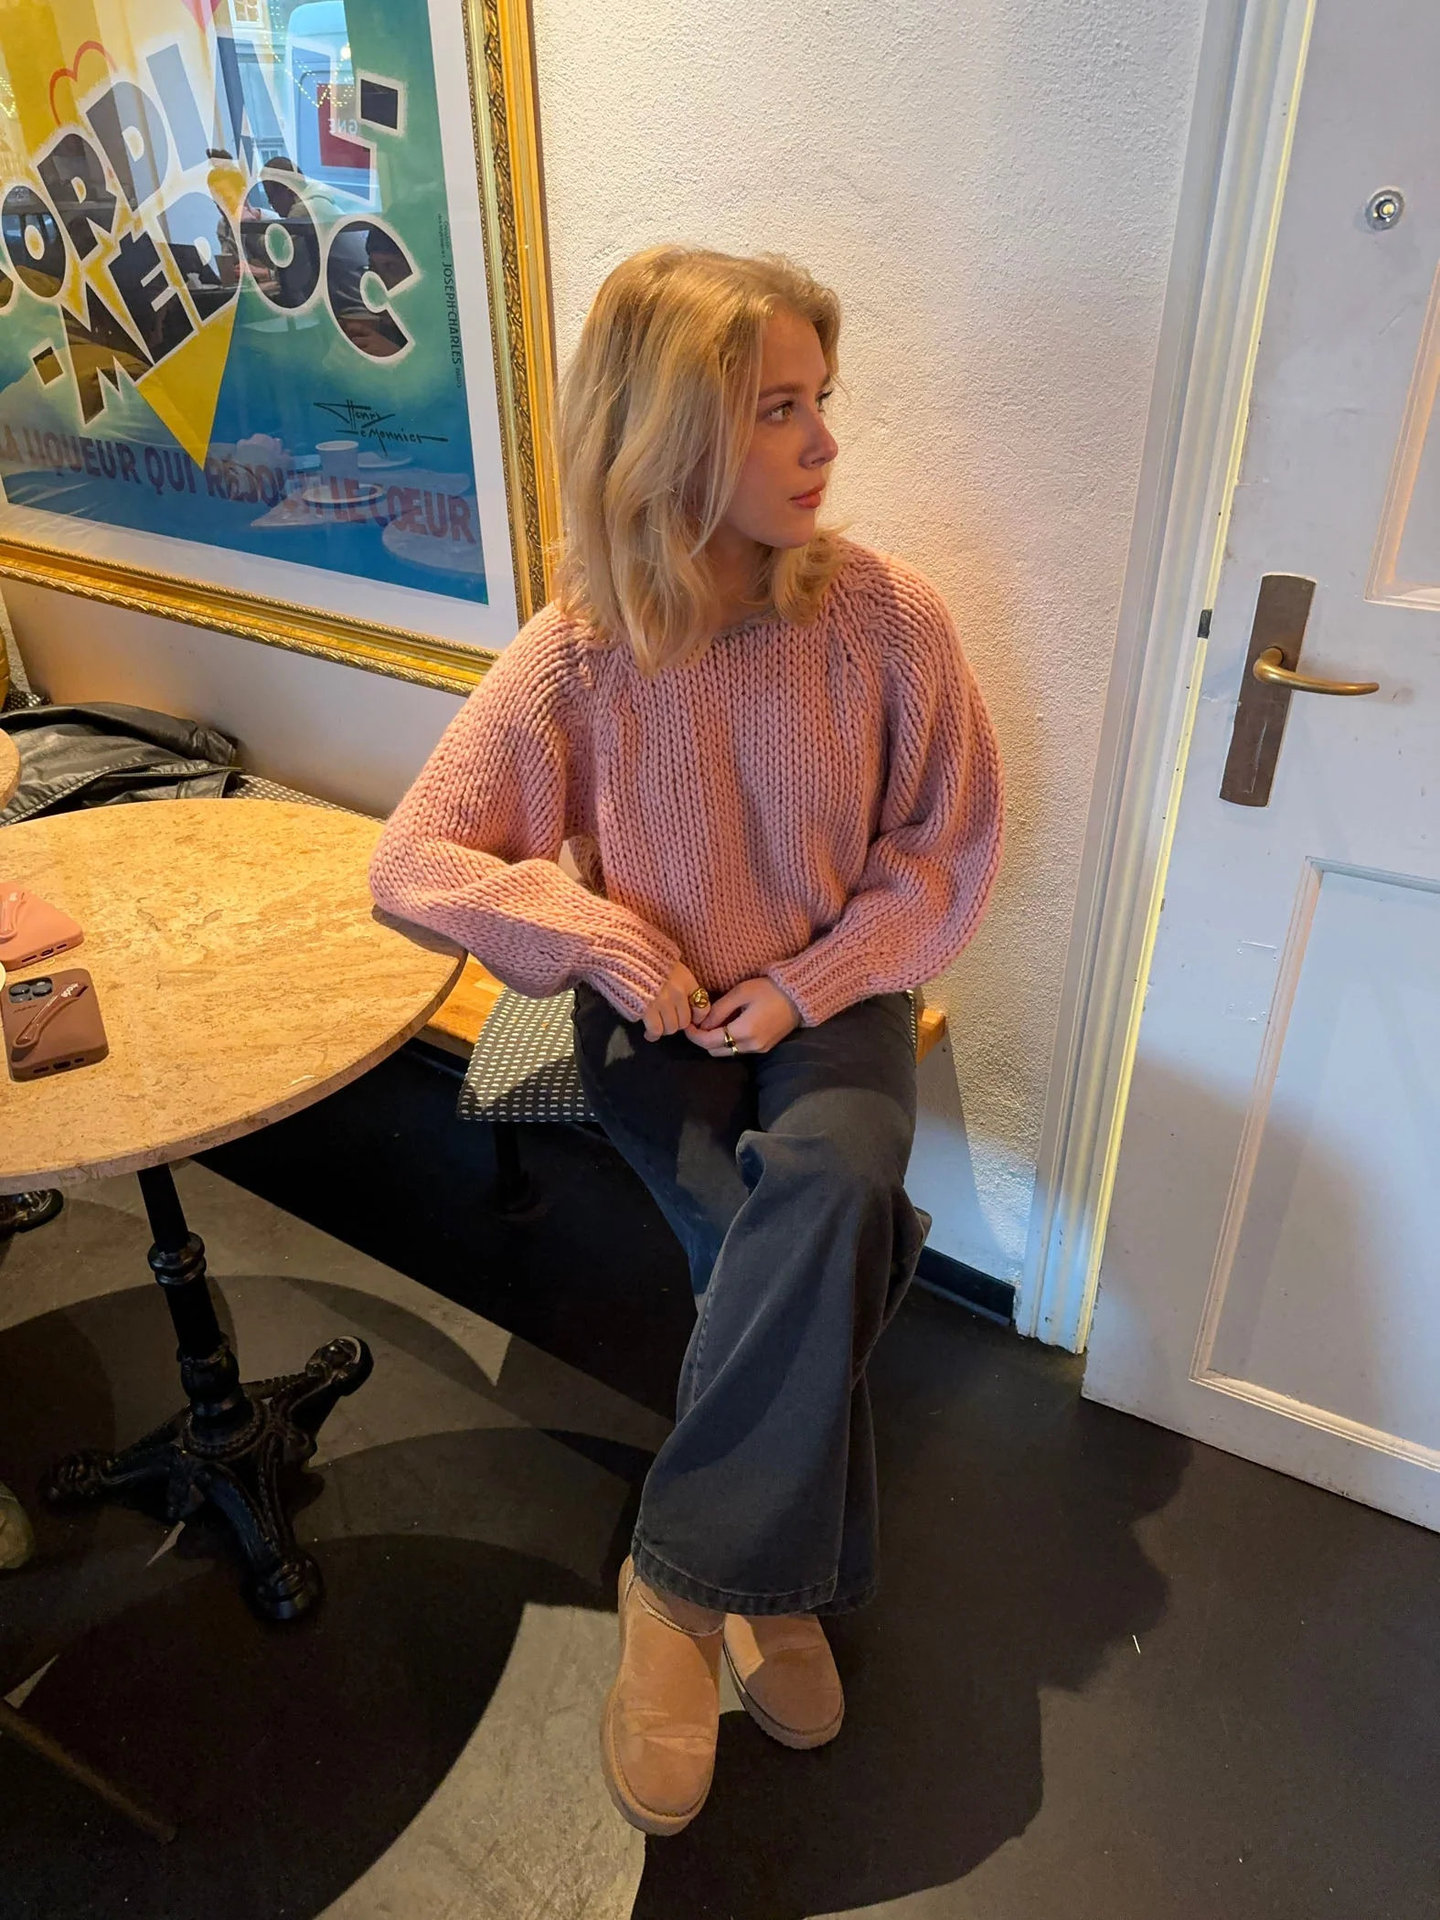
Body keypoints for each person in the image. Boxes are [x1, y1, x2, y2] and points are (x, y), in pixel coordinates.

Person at [369, 246, 1003, 1836]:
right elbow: (414, 862)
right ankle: (775, 1577)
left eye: (820, 399)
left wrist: (808, 983)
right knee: (773, 1243)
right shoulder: (581, 653)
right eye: (779, 409)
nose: (827, 441)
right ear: (667, 433)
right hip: (653, 1015)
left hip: (831, 996)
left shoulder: (885, 619)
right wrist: (593, 937)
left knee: (833, 1193)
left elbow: (946, 848)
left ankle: (681, 1582)